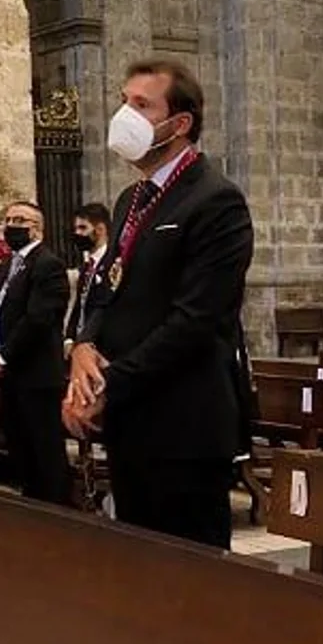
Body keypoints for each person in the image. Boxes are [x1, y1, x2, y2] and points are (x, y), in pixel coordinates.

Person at [66, 60, 254, 549]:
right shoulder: (133, 199)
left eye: (142, 104)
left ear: (180, 123)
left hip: (184, 426)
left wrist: (109, 386)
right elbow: (110, 288)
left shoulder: (216, 201)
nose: (125, 113)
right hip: (132, 420)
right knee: (140, 575)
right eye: (124, 101)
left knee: (192, 587)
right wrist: (84, 349)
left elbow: (196, 320)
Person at [0, 200, 72, 504]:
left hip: (37, 375)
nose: (12, 225)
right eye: (8, 219)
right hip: (8, 376)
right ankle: (30, 509)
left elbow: (38, 318)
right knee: (20, 448)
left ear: (39, 230)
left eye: (21, 220)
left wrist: (4, 356)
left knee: (45, 452)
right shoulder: (5, 268)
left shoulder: (48, 265)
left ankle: (55, 514)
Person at [66, 203, 112, 349]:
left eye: (83, 228)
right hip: (79, 344)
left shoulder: (112, 263)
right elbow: (79, 305)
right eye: (76, 228)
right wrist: (69, 338)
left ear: (100, 229)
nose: (77, 233)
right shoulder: (87, 266)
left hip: (101, 345)